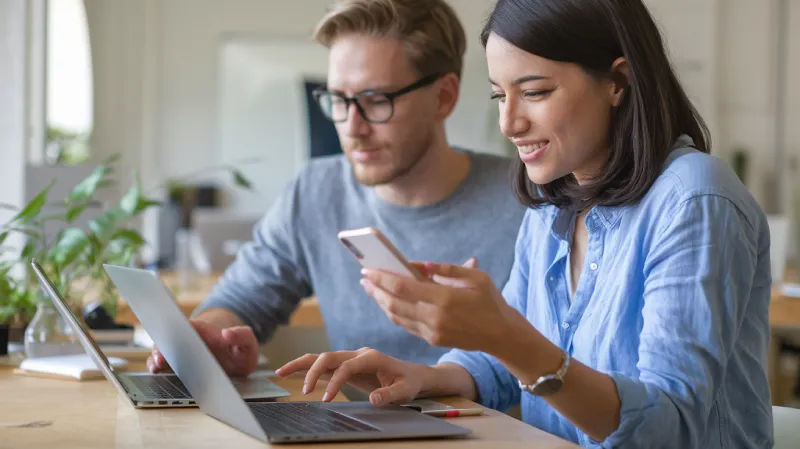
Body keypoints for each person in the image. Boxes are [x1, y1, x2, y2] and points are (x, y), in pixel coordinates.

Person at [276, 0, 774, 447]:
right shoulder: (553, 204)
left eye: (533, 92)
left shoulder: (694, 198)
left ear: (618, 82)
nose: (508, 123)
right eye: (499, 96)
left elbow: (672, 429)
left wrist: (505, 336)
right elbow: (504, 367)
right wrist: (422, 377)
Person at [146, 0, 526, 376]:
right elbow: (241, 300)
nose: (352, 128)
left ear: (443, 97)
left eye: (376, 101)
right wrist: (213, 339)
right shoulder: (315, 190)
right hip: (360, 432)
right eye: (338, 101)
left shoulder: (528, 202)